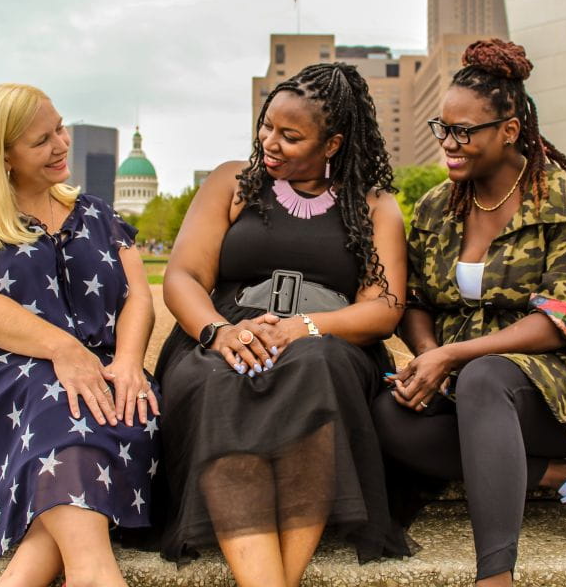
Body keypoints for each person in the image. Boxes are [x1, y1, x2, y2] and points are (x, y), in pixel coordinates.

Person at [372, 40, 566, 586]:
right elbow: (416, 301)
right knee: (389, 416)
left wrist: (455, 356)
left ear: (509, 129)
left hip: (565, 384)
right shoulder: (436, 206)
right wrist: (430, 358)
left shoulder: (565, 198)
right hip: (465, 377)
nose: (449, 145)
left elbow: (565, 318)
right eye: (442, 128)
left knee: (484, 377)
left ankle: (494, 576)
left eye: (464, 132)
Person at [154, 62, 413, 587]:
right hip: (225, 332)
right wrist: (216, 333)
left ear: (333, 143)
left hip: (328, 339)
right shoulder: (232, 181)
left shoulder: (375, 205)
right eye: (266, 126)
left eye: (290, 136)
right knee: (223, 379)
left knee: (314, 370)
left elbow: (384, 307)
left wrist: (307, 326)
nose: (269, 142)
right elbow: (183, 275)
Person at [0, 83, 160, 587]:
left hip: (99, 377)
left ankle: (40, 576)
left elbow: (138, 297)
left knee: (108, 406)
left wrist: (128, 361)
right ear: (2, 155)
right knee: (61, 401)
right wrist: (65, 348)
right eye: (42, 140)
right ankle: (94, 572)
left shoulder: (99, 215)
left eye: (60, 128)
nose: (62, 144)